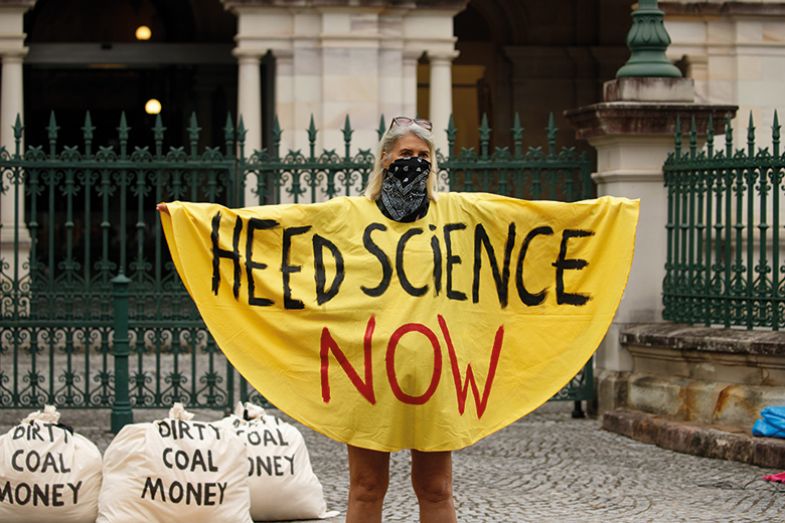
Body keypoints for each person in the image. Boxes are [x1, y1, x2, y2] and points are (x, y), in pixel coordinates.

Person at [158, 116, 457, 523]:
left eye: (424, 155)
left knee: (436, 489)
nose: (415, 161)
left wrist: (578, 217)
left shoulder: (453, 214)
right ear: (385, 159)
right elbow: (280, 227)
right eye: (406, 153)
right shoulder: (349, 214)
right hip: (367, 374)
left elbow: (516, 219)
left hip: (431, 374)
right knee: (367, 488)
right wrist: (189, 218)